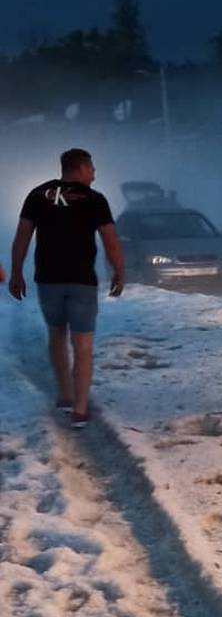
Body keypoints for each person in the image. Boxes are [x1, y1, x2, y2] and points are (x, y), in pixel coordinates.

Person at [8, 148, 125, 426]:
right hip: (82, 281)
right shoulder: (95, 200)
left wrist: (16, 273)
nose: (94, 174)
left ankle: (64, 394)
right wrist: (119, 270)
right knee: (83, 344)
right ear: (81, 168)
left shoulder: (38, 195)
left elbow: (22, 236)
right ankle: (80, 410)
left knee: (57, 335)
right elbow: (110, 240)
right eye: (92, 168)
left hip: (48, 280)